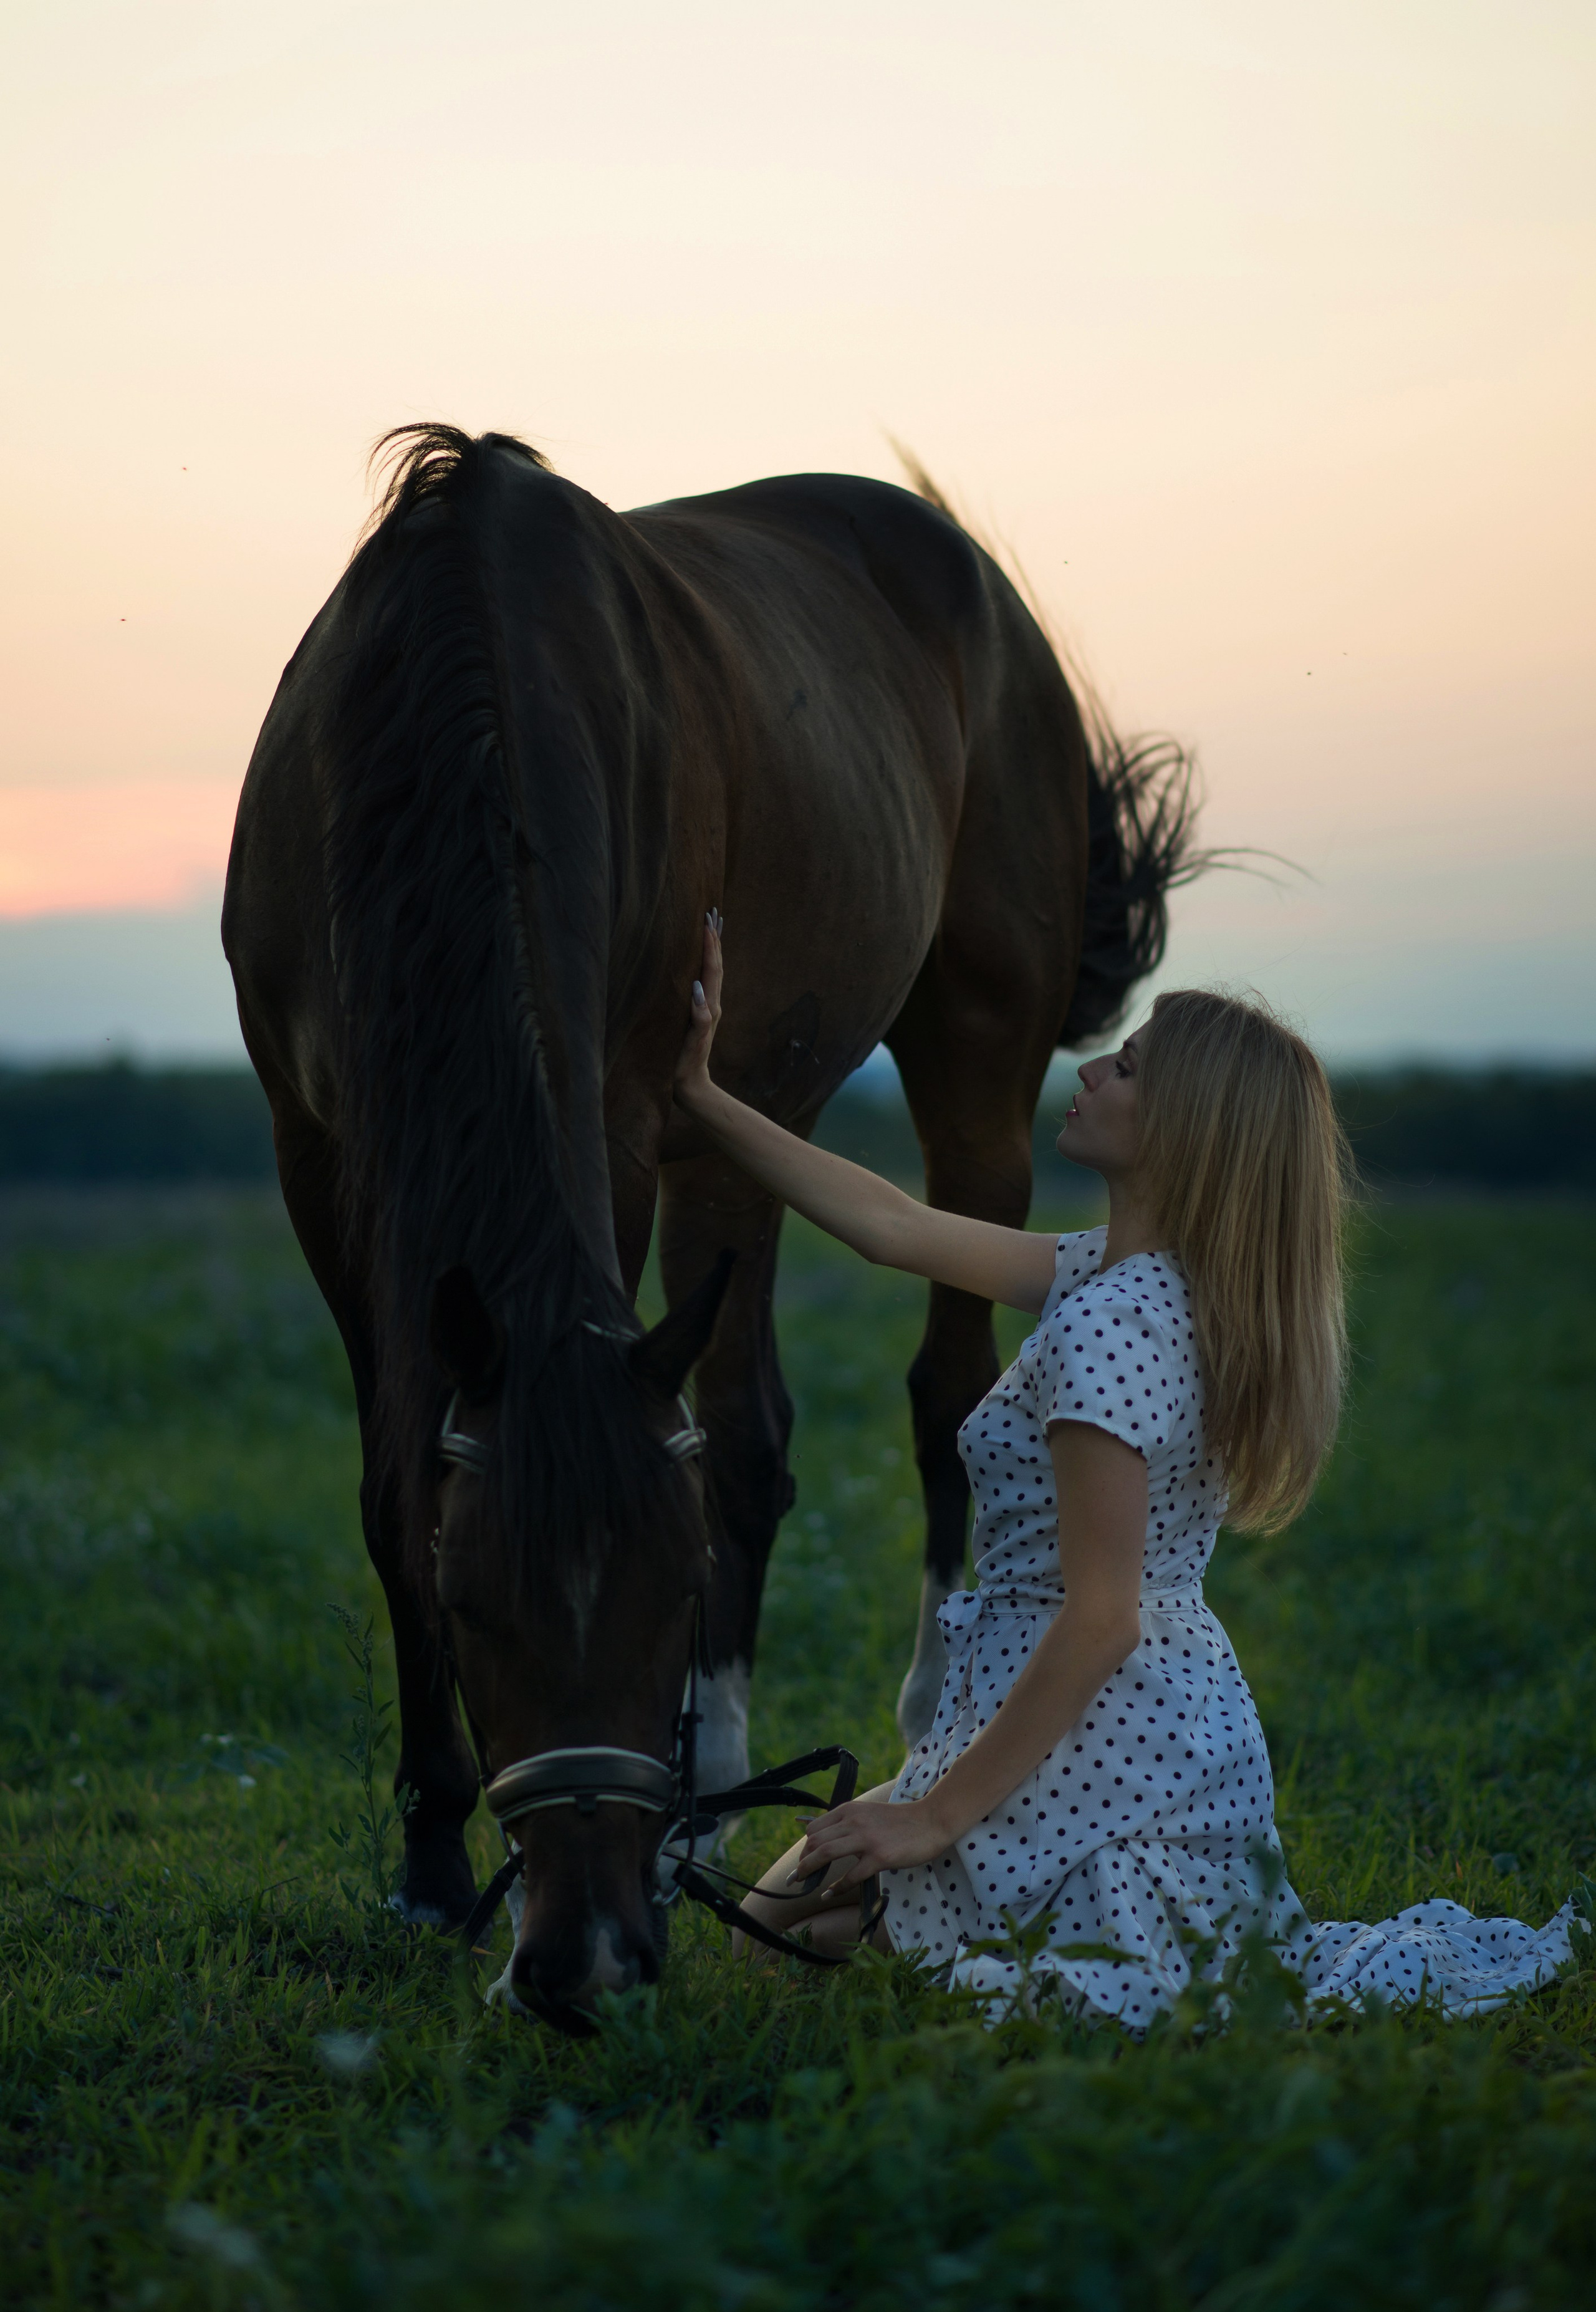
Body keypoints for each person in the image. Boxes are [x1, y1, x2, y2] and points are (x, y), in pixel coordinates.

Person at [671, 913, 1583, 2025]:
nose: (1093, 1068)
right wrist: (704, 1095)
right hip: (1134, 1723)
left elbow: (1101, 1617)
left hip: (1096, 1734)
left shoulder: (1115, 1328)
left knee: (795, 1943)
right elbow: (893, 1226)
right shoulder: (1133, 1278)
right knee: (779, 1927)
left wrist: (938, 1816)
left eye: (1130, 1064)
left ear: (1183, 1131)